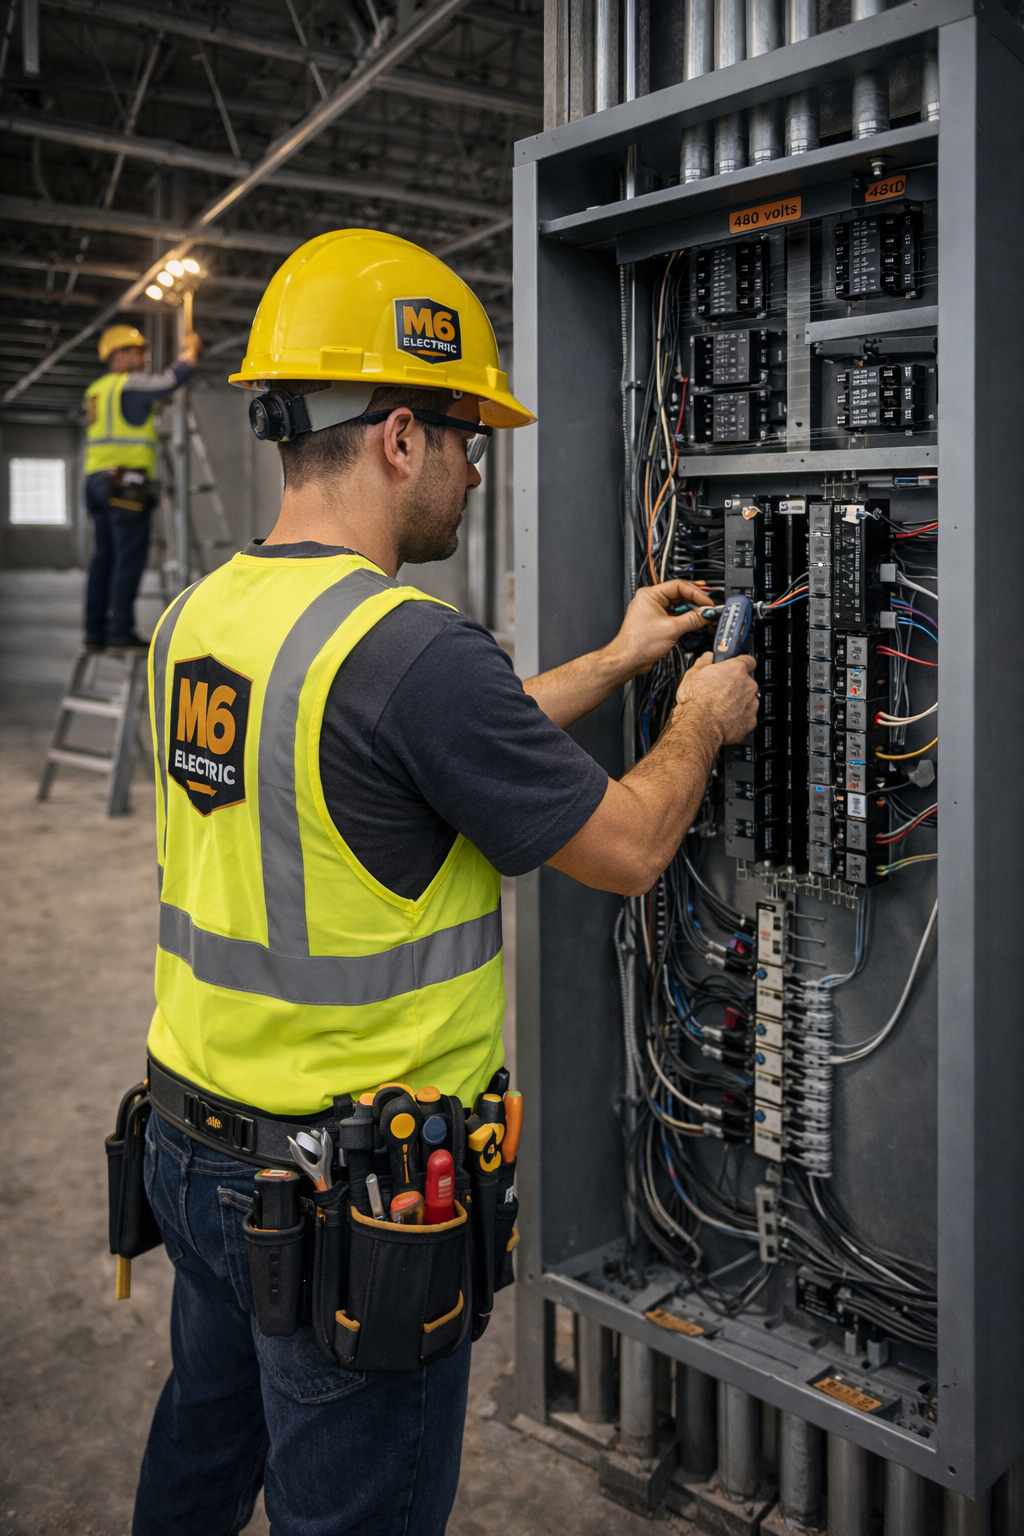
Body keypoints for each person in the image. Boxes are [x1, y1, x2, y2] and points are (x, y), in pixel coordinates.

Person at [133, 230, 758, 1536]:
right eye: (471, 435)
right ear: (399, 435)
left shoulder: (200, 616)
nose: (481, 467)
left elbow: (406, 761)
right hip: (342, 1200)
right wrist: (700, 719)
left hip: (192, 1152)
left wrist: (610, 659)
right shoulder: (413, 648)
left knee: (198, 1461)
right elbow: (632, 849)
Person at [83, 324, 202, 653]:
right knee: (129, 558)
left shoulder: (96, 390)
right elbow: (170, 379)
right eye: (136, 351)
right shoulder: (130, 384)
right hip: (125, 483)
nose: (143, 356)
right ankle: (120, 633)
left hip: (95, 480)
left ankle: (95, 633)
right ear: (118, 355)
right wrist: (190, 350)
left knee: (103, 558)